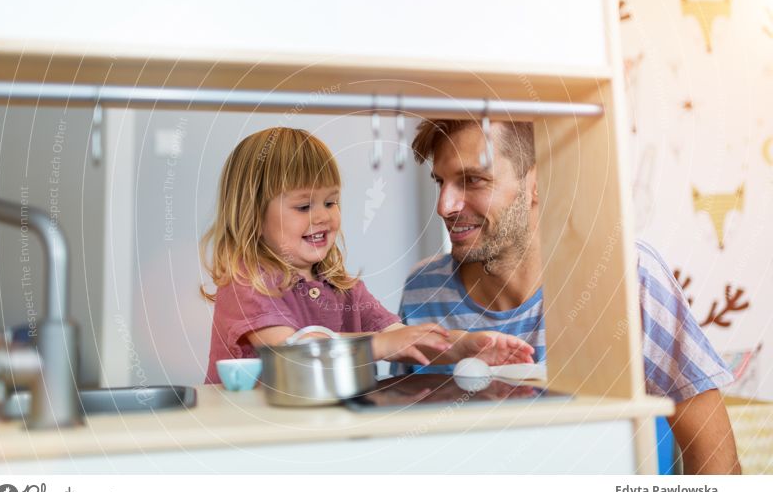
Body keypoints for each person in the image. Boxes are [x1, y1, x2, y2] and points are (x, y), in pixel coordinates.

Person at [399, 119, 741, 475]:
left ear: (538, 182)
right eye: (441, 182)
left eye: (473, 180)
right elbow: (409, 453)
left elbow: (715, 458)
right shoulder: (422, 291)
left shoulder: (625, 276)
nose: (445, 205)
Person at [200, 127, 534, 385]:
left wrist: (465, 346)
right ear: (253, 216)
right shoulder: (247, 284)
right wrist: (378, 346)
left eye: (330, 203)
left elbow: (400, 334)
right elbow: (293, 354)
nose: (321, 217)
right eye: (303, 206)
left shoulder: (341, 287)